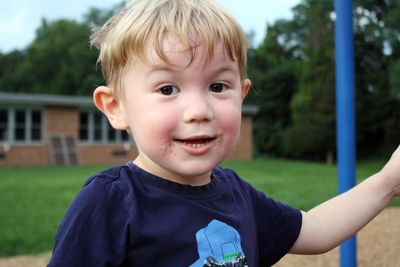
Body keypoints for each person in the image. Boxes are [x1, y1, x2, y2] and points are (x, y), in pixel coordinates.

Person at [47, 0, 400, 266]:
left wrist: (387, 181)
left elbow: (317, 229)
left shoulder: (236, 194)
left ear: (242, 95)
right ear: (115, 107)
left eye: (218, 86)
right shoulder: (111, 202)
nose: (200, 110)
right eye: (167, 89)